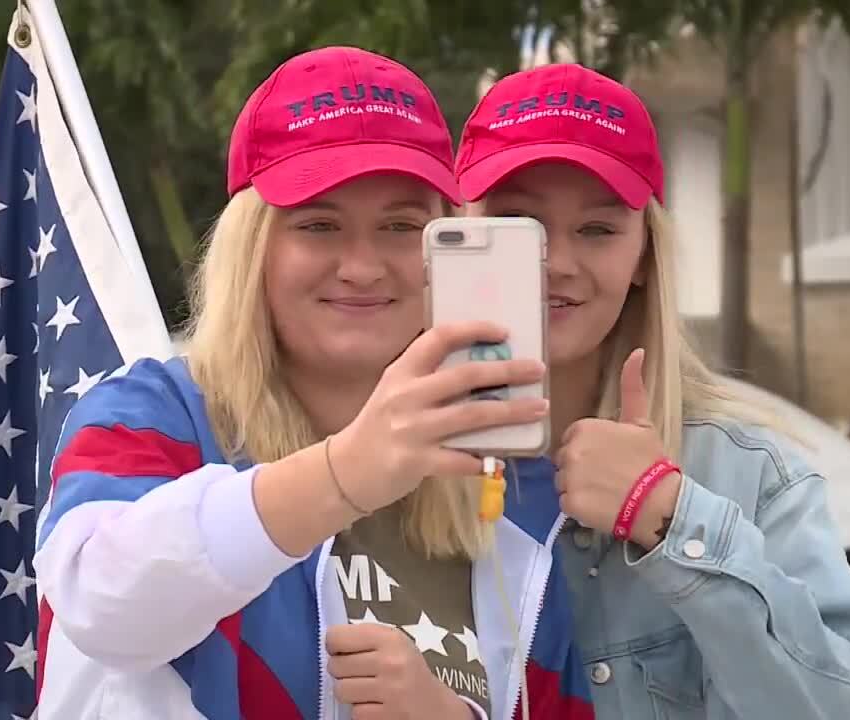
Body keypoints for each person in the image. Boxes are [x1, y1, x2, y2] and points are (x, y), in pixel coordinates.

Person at [34, 47, 588, 720]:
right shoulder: (155, 411)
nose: (360, 266)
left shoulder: (501, 466)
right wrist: (343, 474)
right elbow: (100, 606)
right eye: (318, 225)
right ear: (255, 247)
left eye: (399, 226)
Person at [453, 63, 850, 719]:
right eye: (521, 222)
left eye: (598, 229)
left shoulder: (747, 473)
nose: (555, 261)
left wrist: (670, 519)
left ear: (644, 255)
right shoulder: (388, 462)